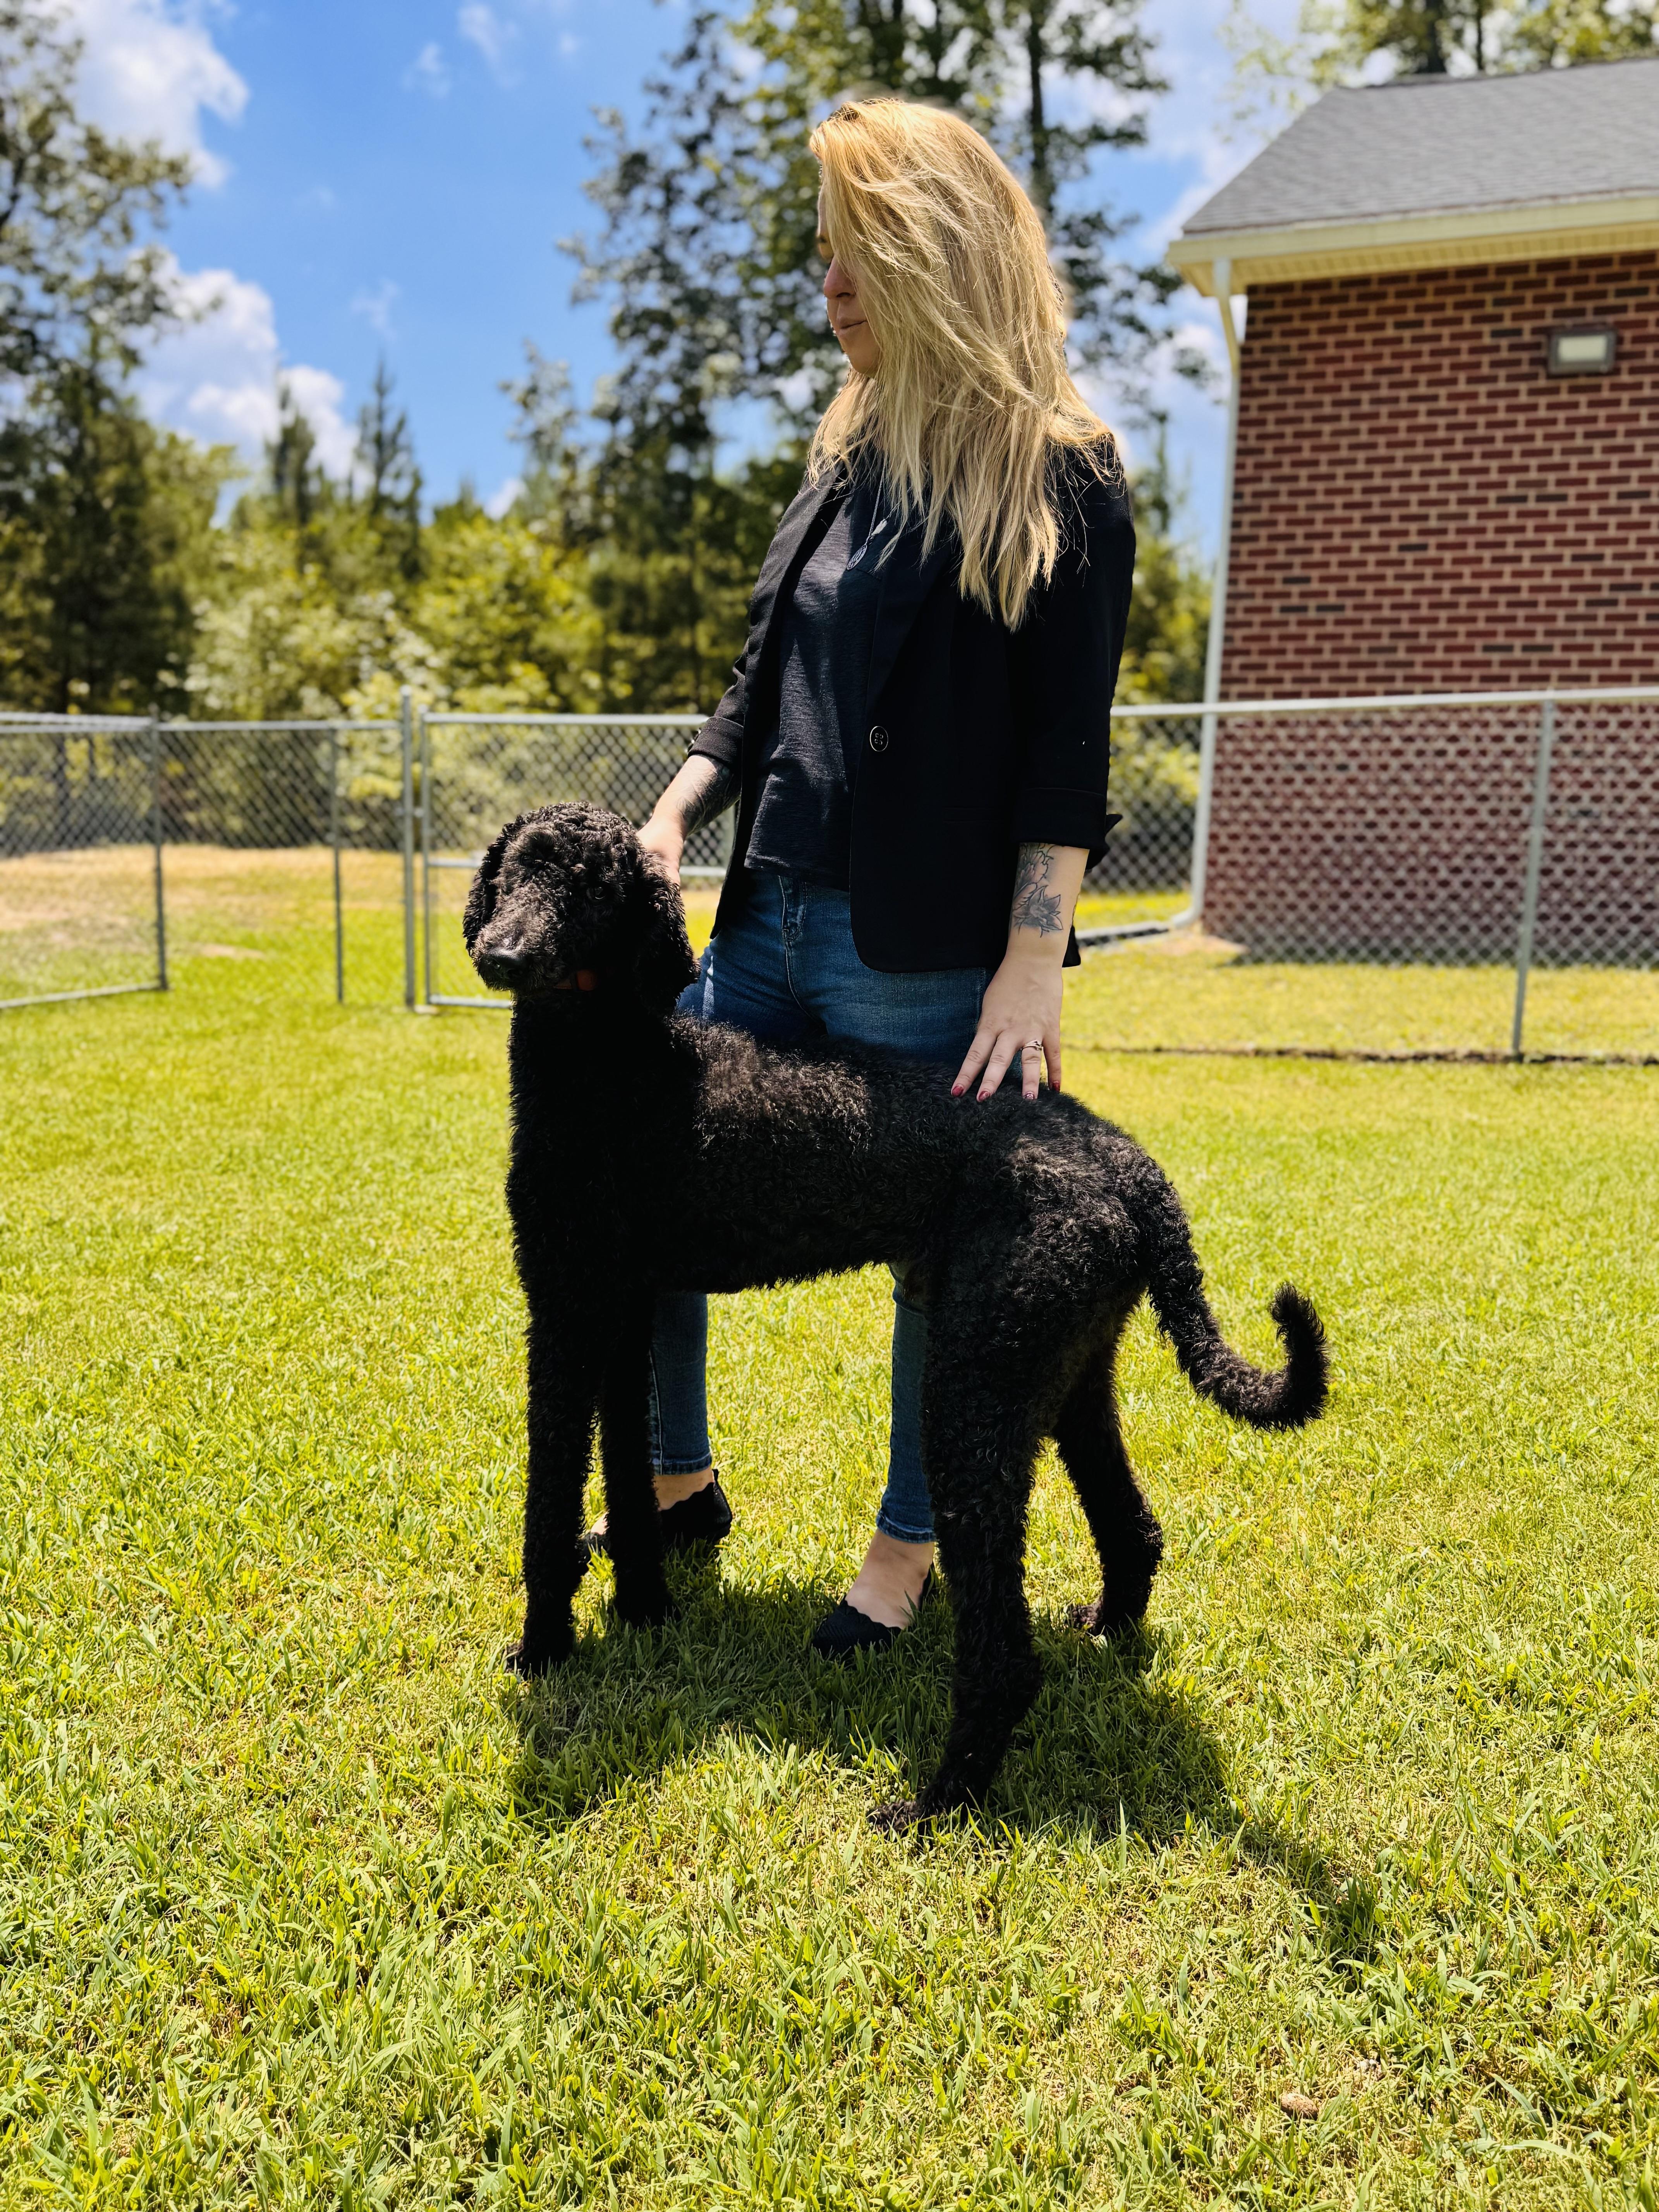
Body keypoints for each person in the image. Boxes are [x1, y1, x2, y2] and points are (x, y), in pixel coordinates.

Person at [582, 94, 1134, 1656]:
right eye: (821, 258)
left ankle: (909, 1545)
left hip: (930, 950)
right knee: (649, 1185)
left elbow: (1061, 751)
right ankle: (677, 1478)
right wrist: (677, 813)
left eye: (852, 257)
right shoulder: (842, 461)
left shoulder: (1061, 474)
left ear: (931, 253)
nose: (826, 287)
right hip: (764, 920)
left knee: (941, 1249)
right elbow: (758, 692)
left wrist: (1036, 957)